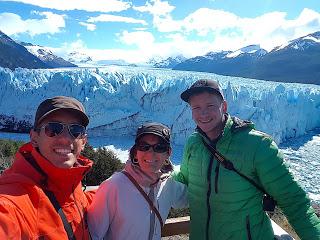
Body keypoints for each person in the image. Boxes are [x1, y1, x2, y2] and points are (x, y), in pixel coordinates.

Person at [174, 79, 320, 240]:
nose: (203, 114)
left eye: (210, 106)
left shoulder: (258, 145)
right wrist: (152, 172)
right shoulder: (194, 143)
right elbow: (185, 179)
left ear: (224, 106)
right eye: (196, 107)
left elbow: (294, 202)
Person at [0, 96, 95, 239]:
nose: (66, 138)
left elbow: (72, 200)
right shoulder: (13, 202)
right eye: (53, 129)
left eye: (75, 130)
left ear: (83, 141)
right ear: (34, 138)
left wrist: (118, 185)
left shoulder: (73, 181)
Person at [87, 122, 188, 240]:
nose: (150, 153)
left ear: (168, 153)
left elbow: (193, 198)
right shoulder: (113, 186)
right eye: (144, 146)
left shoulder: (168, 184)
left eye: (159, 147)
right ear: (135, 152)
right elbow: (93, 235)